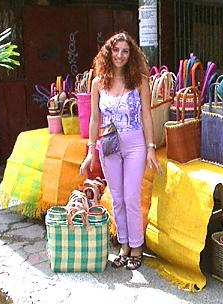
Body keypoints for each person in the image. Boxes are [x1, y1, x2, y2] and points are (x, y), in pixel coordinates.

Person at [80, 31, 162, 270]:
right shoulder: (98, 82)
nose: (120, 55)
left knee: (130, 197)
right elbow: (95, 119)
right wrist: (90, 152)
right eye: (115, 50)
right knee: (116, 198)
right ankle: (124, 245)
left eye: (125, 51)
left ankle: (137, 246)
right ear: (108, 52)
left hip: (135, 142)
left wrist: (150, 148)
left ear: (131, 54)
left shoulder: (139, 81)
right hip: (108, 144)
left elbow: (146, 115)